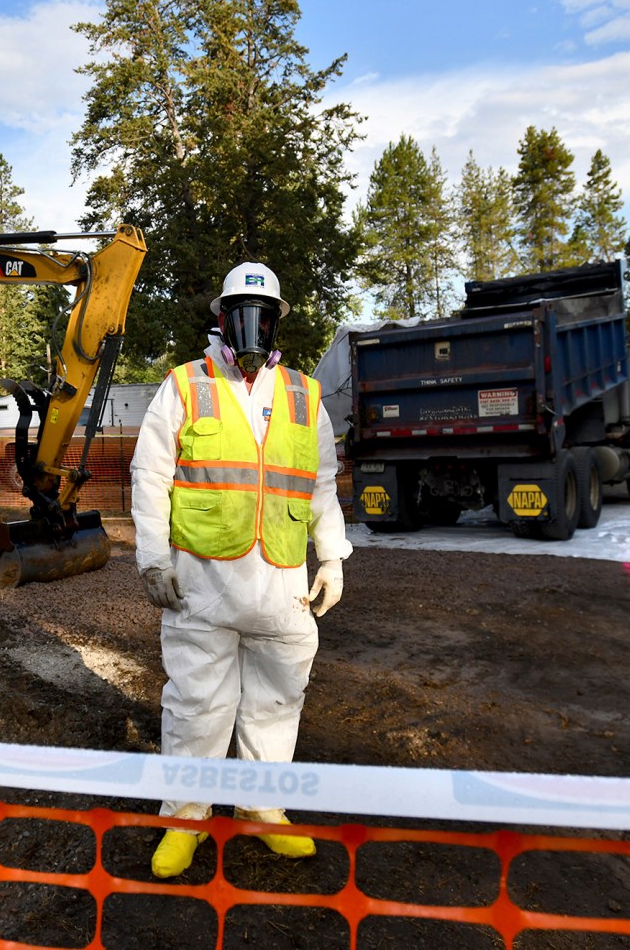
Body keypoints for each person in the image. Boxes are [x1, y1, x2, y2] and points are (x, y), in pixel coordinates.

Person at [130, 261, 352, 879]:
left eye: (262, 314)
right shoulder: (183, 386)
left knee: (278, 704)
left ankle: (260, 810)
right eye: (239, 314)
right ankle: (185, 819)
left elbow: (322, 486)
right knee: (197, 704)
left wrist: (331, 556)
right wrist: (152, 559)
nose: (250, 328)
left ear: (276, 320)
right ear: (221, 319)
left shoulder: (306, 397)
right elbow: (150, 478)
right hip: (202, 584)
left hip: (282, 585)